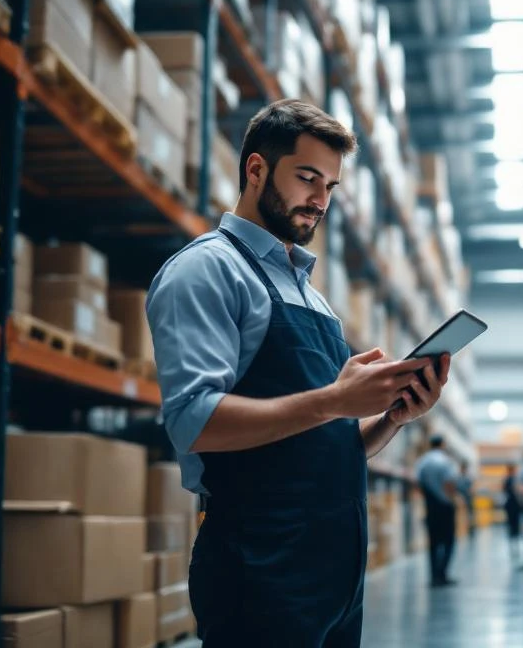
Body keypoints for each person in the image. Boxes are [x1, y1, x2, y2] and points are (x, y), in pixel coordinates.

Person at [146, 99, 452, 647]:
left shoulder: (309, 292)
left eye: (331, 186)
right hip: (260, 566)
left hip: (333, 573)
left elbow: (325, 444)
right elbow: (193, 421)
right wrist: (335, 399)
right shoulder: (207, 271)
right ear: (256, 169)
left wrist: (392, 419)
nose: (320, 199)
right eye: (307, 177)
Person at [415, 434, 459, 587]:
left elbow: (418, 483)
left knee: (433, 542)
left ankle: (434, 576)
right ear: (442, 444)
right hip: (445, 506)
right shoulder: (445, 461)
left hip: (430, 506)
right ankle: (443, 574)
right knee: (449, 541)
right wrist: (451, 500)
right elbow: (449, 483)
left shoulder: (422, 461)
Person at [503, 464, 522, 558]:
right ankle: (513, 545)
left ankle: (515, 545)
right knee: (512, 526)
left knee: (514, 526)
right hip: (512, 506)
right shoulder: (511, 480)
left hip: (513, 506)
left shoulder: (514, 480)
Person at [457, 461, 475, 538]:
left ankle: (470, 528)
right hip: (461, 499)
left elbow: (471, 489)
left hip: (468, 499)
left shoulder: (467, 478)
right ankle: (463, 528)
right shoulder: (459, 478)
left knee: (469, 515)